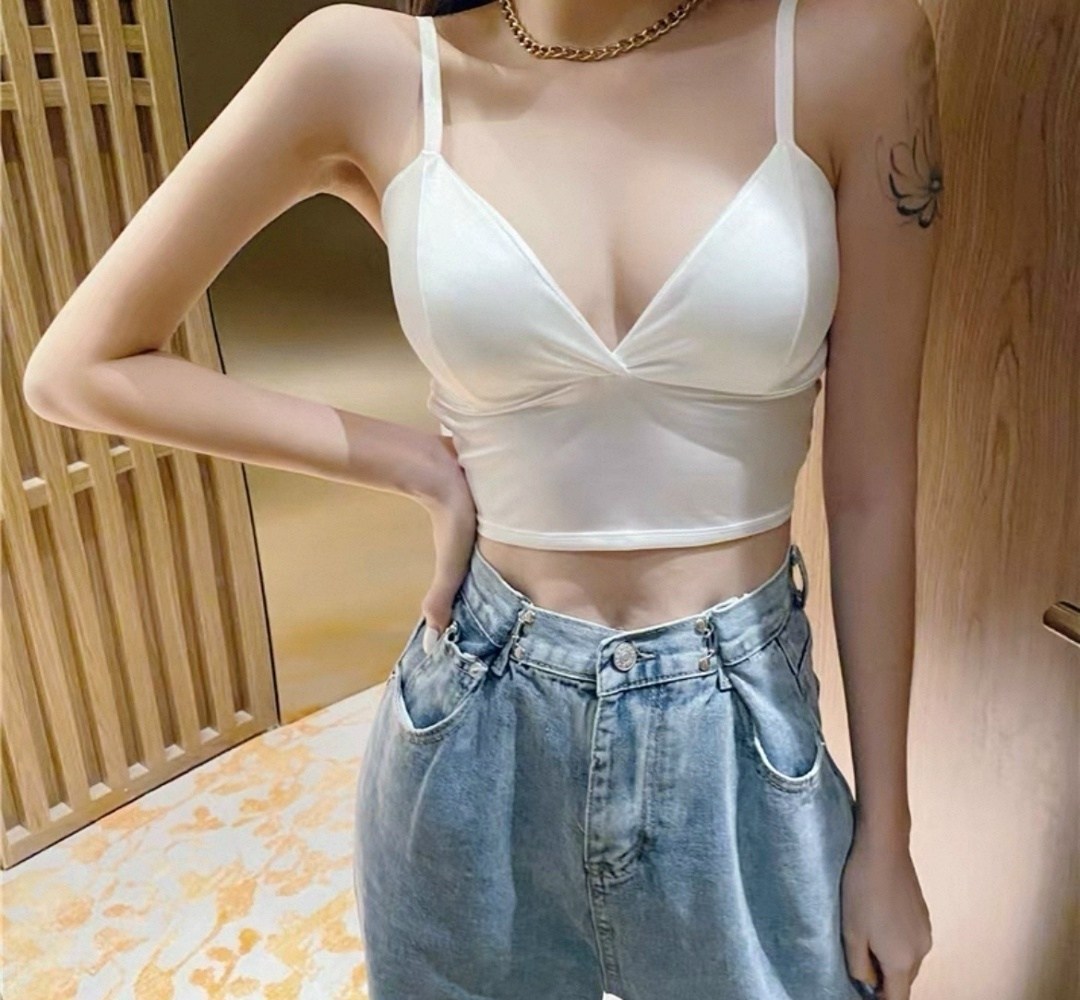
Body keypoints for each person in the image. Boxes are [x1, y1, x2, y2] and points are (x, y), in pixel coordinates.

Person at [22, 0, 942, 997]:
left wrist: (886, 836)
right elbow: (79, 366)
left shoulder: (848, 49)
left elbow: (871, 491)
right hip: (475, 724)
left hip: (738, 734)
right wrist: (414, 462)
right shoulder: (367, 66)